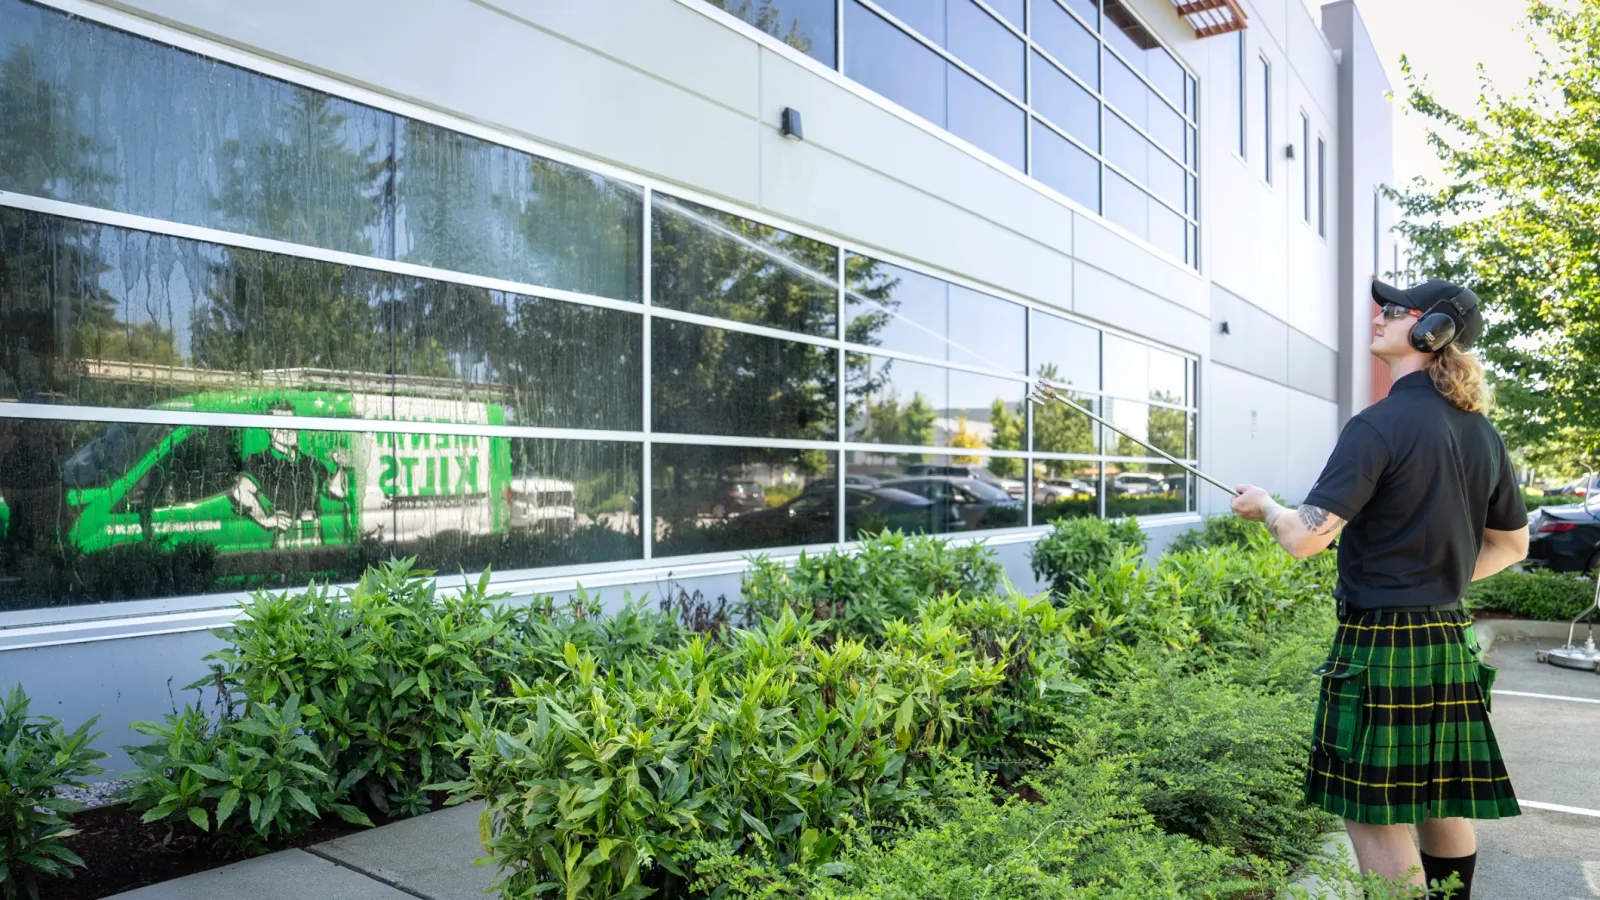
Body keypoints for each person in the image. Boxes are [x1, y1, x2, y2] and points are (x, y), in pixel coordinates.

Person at [1230, 278, 1527, 900]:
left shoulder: (1379, 424)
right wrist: (1429, 572)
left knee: (1374, 812)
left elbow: (1306, 538)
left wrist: (1266, 508)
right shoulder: (1482, 433)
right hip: (1445, 635)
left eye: (1394, 310)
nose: (1379, 316)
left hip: (1382, 643)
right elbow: (1511, 546)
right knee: (1441, 796)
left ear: (1431, 330)